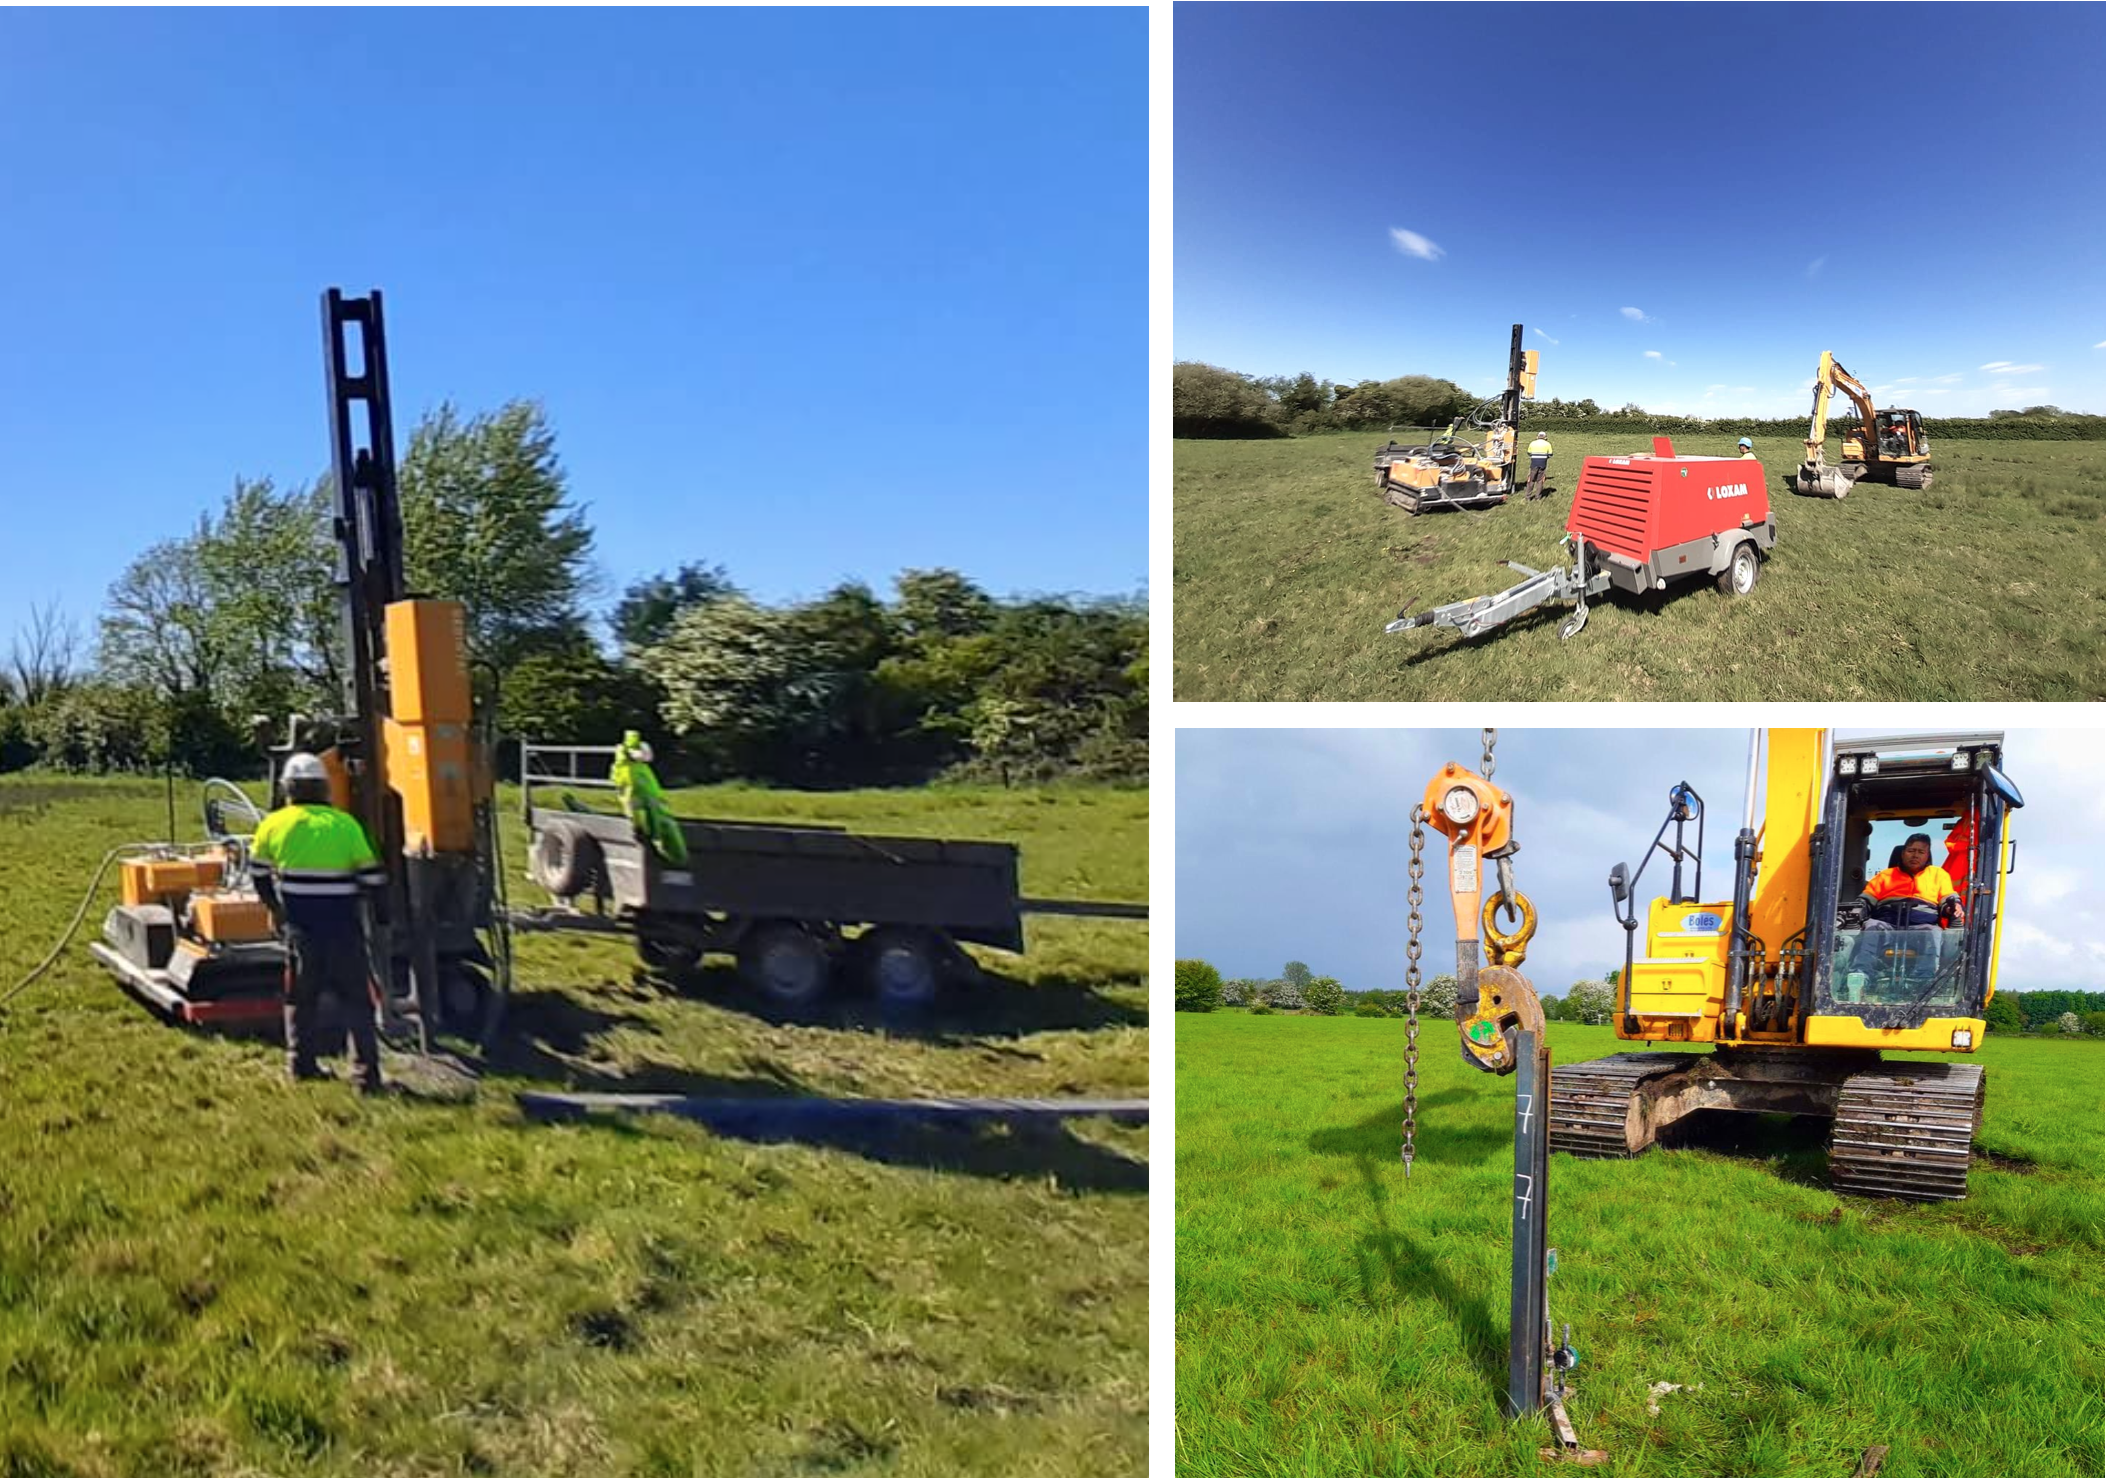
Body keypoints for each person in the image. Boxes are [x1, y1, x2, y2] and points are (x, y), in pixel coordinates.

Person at [248, 754, 387, 1091]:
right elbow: (374, 878)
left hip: (301, 929)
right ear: (325, 788)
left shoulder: (273, 824)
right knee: (357, 1001)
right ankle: (366, 1078)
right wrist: (381, 917)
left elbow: (258, 873)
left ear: (287, 789)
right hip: (344, 930)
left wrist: (275, 907)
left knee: (300, 997)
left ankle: (301, 1065)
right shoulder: (346, 825)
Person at [1855, 832, 1962, 986]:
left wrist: (1954, 907)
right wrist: (1856, 911)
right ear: (1903, 853)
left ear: (1927, 855)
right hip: (1886, 925)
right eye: (1911, 851)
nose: (1915, 855)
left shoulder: (1939, 875)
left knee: (1934, 932)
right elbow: (1865, 900)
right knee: (1871, 926)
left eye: (1921, 852)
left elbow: (1948, 899)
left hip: (1922, 927)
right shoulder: (1885, 876)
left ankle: (1922, 980)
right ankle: (1861, 976)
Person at [612, 730, 689, 866]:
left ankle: (650, 837)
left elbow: (645, 757)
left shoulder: (631, 762)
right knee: (648, 817)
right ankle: (649, 837)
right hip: (636, 790)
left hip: (640, 791)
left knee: (652, 817)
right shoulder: (625, 754)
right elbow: (641, 757)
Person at [1524, 431, 1553, 500]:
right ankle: (1538, 497)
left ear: (1537, 436)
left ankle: (1528, 496)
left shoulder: (1532, 443)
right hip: (1543, 463)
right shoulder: (1547, 444)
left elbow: (1529, 453)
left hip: (1534, 463)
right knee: (1540, 480)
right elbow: (1550, 454)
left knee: (1531, 480)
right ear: (1545, 437)